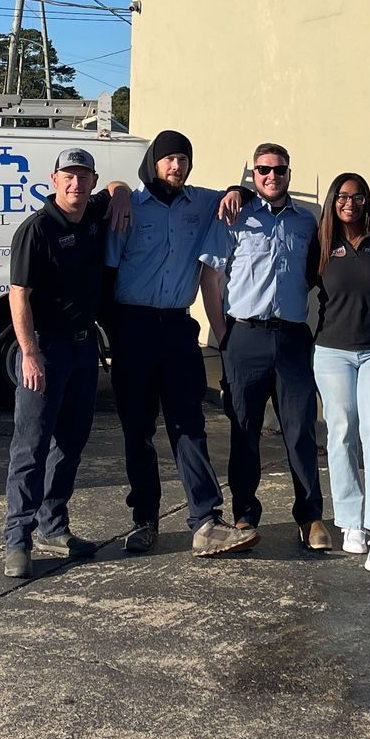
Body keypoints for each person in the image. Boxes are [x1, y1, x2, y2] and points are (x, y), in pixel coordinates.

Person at [105, 129, 256, 558]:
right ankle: (144, 520)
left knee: (189, 424)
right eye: (169, 159)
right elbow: (108, 266)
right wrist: (115, 189)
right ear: (154, 161)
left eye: (183, 160)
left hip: (177, 327)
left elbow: (238, 194)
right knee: (138, 429)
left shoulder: (202, 202)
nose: (176, 167)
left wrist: (235, 191)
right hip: (132, 326)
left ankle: (206, 520)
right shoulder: (130, 205)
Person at [1, 149, 131, 580]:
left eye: (83, 176)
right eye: (67, 176)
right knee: (31, 446)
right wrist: (30, 354)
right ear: (53, 179)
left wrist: (123, 193)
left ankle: (53, 527)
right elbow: (18, 294)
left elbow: (116, 188)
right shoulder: (36, 230)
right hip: (46, 348)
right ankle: (17, 539)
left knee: (71, 444)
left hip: (83, 349)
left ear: (91, 181)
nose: (76, 184)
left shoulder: (93, 212)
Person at [199, 142, 330, 549]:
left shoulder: (308, 222)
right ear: (253, 175)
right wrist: (225, 336)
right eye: (263, 170)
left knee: (301, 432)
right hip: (244, 337)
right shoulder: (233, 216)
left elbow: (314, 273)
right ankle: (244, 515)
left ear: (290, 173)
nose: (271, 177)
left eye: (279, 170)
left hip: (291, 336)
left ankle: (310, 518)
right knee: (244, 431)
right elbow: (212, 277)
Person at [311, 172, 370, 573]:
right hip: (332, 353)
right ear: (333, 202)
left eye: (358, 196)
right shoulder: (321, 246)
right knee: (341, 432)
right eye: (343, 196)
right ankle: (351, 522)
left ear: (367, 201)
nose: (350, 202)